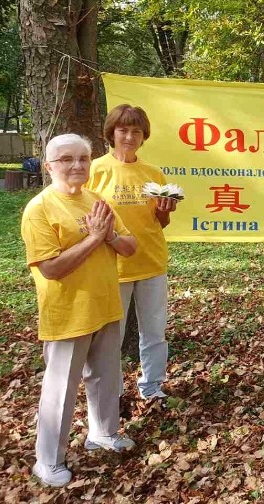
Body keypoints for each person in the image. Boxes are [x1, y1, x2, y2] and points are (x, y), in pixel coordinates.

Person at [21, 134, 137, 487]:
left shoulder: (97, 200)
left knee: (105, 377)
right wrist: (94, 239)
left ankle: (103, 434)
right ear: (49, 165)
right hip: (68, 312)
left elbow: (129, 246)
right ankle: (48, 461)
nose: (76, 166)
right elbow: (51, 268)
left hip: (105, 305)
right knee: (61, 388)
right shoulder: (39, 209)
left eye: (83, 159)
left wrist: (110, 236)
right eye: (66, 159)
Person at [87, 104, 177, 402]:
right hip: (111, 266)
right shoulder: (94, 170)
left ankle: (152, 387)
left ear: (144, 136)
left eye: (136, 131)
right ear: (111, 133)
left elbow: (160, 222)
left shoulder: (153, 174)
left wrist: (165, 211)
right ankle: (110, 394)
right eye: (123, 130)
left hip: (151, 262)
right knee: (111, 336)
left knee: (154, 331)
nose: (129, 136)